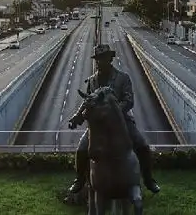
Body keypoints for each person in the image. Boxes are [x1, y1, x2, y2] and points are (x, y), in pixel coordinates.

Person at [68, 43, 161, 195]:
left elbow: (129, 100)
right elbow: (87, 102)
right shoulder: (92, 81)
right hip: (99, 125)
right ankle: (80, 179)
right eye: (97, 59)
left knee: (142, 145)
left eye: (102, 59)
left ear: (110, 59)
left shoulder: (123, 78)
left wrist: (114, 112)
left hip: (122, 121)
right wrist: (77, 116)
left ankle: (148, 179)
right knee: (82, 149)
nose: (99, 62)